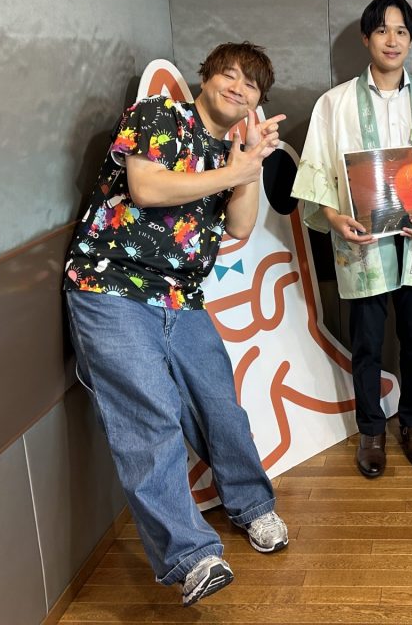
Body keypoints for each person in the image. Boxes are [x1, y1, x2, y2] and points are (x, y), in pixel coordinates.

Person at [63, 42, 289, 606]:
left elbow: (240, 227)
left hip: (180, 296)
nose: (238, 87)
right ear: (206, 78)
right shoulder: (159, 114)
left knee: (220, 407)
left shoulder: (231, 149)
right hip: (110, 287)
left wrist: (248, 167)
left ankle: (252, 507)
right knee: (149, 415)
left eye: (251, 85)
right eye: (228, 74)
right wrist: (231, 169)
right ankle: (192, 557)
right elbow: (146, 187)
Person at [291, 0, 412, 479]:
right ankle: (371, 430)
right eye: (381, 30)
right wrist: (335, 219)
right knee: (368, 342)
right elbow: (317, 173)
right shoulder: (334, 104)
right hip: (362, 240)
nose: (391, 40)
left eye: (401, 31)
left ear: (411, 39)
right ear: (366, 38)